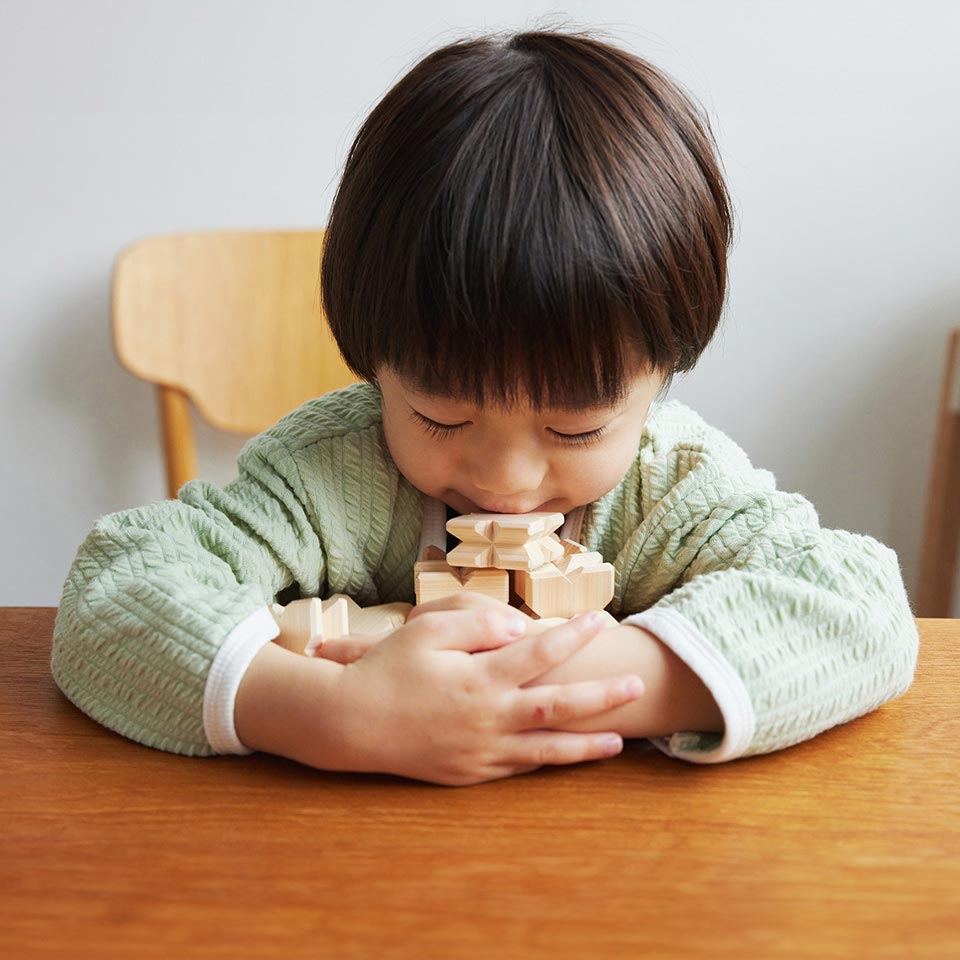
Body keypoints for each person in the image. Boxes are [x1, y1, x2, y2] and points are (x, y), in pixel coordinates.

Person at [51, 27, 919, 787]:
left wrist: (558, 684)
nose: (506, 479)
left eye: (575, 428)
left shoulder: (674, 490)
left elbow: (862, 610)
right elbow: (114, 592)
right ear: (374, 364)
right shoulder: (327, 475)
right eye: (440, 417)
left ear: (662, 375)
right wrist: (331, 714)